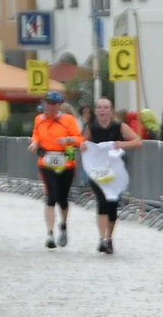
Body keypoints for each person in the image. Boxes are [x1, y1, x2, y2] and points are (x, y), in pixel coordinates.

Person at [80, 95, 144, 254]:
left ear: (111, 111)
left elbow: (138, 141)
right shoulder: (91, 127)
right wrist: (82, 146)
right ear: (95, 111)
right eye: (99, 107)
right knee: (101, 201)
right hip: (97, 171)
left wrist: (122, 144)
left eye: (106, 107)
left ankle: (109, 237)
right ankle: (102, 238)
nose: (102, 110)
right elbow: (82, 142)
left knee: (112, 204)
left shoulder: (118, 126)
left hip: (114, 171)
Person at [30, 90, 82, 249]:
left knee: (63, 198)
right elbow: (36, 134)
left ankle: (64, 225)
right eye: (47, 103)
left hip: (65, 162)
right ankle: (50, 233)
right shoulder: (39, 119)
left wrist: (67, 139)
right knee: (51, 195)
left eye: (53, 104)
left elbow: (79, 139)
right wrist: (34, 143)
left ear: (59, 105)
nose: (49, 107)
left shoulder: (68, 120)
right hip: (46, 162)